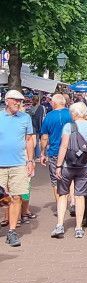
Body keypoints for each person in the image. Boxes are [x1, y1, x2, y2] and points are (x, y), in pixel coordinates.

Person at [51, 101, 87, 239]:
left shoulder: (68, 126)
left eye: (71, 112)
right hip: (84, 166)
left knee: (63, 194)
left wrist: (58, 166)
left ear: (75, 113)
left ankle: (60, 225)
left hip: (68, 165)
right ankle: (78, 228)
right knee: (80, 196)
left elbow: (64, 146)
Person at [0, 90, 35, 247]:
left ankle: (12, 231)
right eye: (15, 100)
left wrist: (30, 161)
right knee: (2, 199)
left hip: (19, 164)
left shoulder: (25, 118)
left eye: (20, 101)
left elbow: (28, 140)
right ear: (7, 101)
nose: (18, 103)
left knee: (17, 197)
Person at [40, 93, 72, 203]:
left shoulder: (49, 116)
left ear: (53, 103)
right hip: (71, 150)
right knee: (71, 177)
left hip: (55, 151)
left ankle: (60, 205)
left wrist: (42, 152)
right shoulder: (72, 114)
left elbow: (44, 137)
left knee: (55, 179)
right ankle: (72, 202)